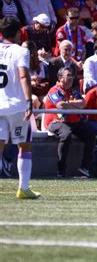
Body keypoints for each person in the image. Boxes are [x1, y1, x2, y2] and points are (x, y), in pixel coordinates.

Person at [0, 16, 39, 199]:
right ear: (18, 32)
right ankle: (23, 188)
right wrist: (29, 102)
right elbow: (23, 76)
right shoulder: (21, 51)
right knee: (24, 146)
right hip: (16, 106)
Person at [44, 67, 95, 177]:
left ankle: (85, 167)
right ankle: (61, 170)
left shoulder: (73, 91)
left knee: (91, 134)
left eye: (72, 75)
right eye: (68, 76)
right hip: (55, 121)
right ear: (61, 78)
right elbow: (60, 106)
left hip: (73, 121)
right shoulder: (54, 90)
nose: (71, 78)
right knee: (66, 134)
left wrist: (67, 102)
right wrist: (73, 104)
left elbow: (83, 103)